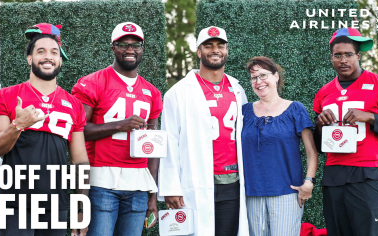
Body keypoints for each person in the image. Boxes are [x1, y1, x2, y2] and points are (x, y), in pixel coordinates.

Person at [0, 23, 89, 236]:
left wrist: (82, 211)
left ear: (60, 60)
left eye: (54, 52)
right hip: (14, 201)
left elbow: (80, 162)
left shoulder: (73, 104)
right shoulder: (7, 96)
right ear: (30, 59)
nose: (48, 57)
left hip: (56, 203)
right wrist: (18, 126)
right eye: (41, 51)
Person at [313, 27, 378, 236]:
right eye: (338, 55)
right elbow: (319, 146)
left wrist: (371, 117)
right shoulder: (324, 93)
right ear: (331, 58)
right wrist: (320, 125)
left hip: (369, 174)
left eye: (348, 54)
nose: (343, 60)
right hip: (334, 175)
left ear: (358, 56)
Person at [71, 22, 162, 236]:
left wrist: (153, 193)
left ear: (142, 49)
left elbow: (154, 147)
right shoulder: (92, 82)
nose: (130, 50)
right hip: (101, 181)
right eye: (123, 44)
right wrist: (119, 125)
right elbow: (76, 130)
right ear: (113, 48)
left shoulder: (152, 92)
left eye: (136, 45)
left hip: (139, 184)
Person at [158, 26, 249, 236]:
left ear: (227, 50)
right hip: (194, 180)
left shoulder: (237, 88)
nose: (215, 50)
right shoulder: (178, 92)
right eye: (208, 46)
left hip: (232, 181)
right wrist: (171, 187)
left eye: (220, 45)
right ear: (198, 52)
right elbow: (169, 141)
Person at [241, 56, 318, 236]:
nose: (258, 81)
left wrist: (309, 182)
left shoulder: (295, 109)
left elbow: (311, 151)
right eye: (253, 77)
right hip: (251, 193)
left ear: (276, 76)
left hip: (286, 192)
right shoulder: (243, 111)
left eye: (263, 75)